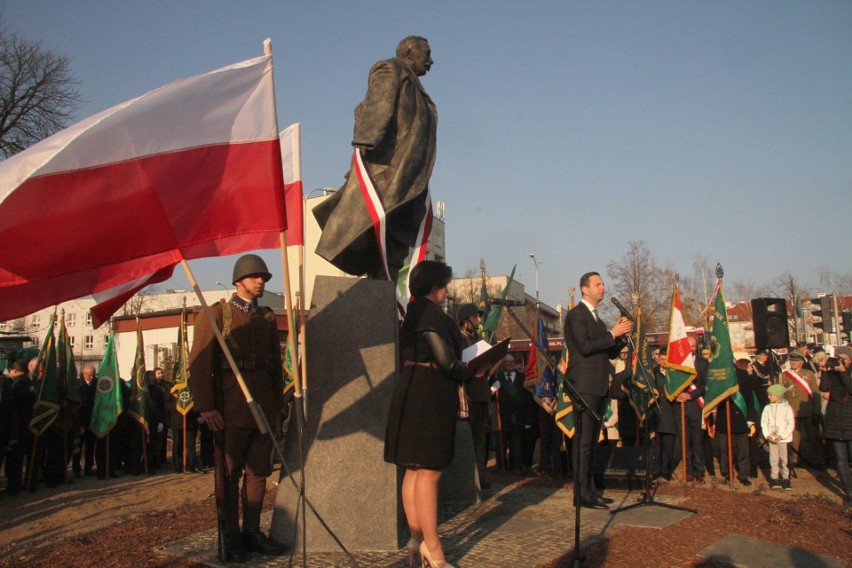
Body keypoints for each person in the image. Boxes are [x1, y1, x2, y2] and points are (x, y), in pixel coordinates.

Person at [189, 254, 287, 562]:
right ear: (239, 280)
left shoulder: (268, 318)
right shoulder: (217, 314)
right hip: (231, 408)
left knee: (258, 472)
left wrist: (278, 405)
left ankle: (252, 532)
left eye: (264, 277)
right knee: (229, 474)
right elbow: (200, 363)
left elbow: (274, 366)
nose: (261, 281)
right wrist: (206, 407)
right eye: (255, 276)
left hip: (264, 409)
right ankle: (231, 535)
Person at [313, 36, 437, 281]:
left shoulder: (417, 88)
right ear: (410, 52)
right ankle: (379, 290)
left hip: (407, 175)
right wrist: (365, 144)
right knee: (376, 231)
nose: (431, 61)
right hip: (385, 172)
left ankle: (383, 290)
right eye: (427, 54)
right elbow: (377, 106)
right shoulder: (390, 68)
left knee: (394, 243)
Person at [384, 260, 468, 568]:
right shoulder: (431, 314)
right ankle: (433, 548)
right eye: (445, 284)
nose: (447, 289)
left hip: (411, 390)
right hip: (429, 394)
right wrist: (472, 368)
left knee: (414, 471)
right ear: (434, 288)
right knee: (430, 472)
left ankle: (416, 540)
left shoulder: (413, 311)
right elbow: (447, 362)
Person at [563, 272, 632, 509]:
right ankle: (580, 493)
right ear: (584, 289)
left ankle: (590, 489)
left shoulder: (598, 320)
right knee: (583, 442)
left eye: (603, 283)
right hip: (583, 385)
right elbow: (584, 346)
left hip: (599, 385)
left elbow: (610, 352)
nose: (603, 287)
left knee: (592, 442)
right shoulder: (576, 315)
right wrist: (612, 334)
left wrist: (622, 337)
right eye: (598, 284)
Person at [456, 303, 491, 489]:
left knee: (480, 439)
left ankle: (481, 476)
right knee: (467, 439)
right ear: (466, 320)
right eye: (476, 317)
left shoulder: (478, 338)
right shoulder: (458, 339)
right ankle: (468, 479)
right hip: (467, 394)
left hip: (481, 393)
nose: (479, 320)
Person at [715, 359, 759, 486]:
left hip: (741, 417)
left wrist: (750, 418)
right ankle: (727, 474)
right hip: (725, 417)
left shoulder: (743, 375)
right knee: (725, 449)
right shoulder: (718, 376)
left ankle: (743, 475)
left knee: (743, 450)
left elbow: (749, 398)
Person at [780, 350, 824, 468]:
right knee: (794, 437)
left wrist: (817, 411)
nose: (793, 363)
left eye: (796, 360)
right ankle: (795, 459)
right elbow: (782, 394)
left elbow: (816, 394)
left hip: (807, 410)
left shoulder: (808, 374)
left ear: (801, 362)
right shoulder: (784, 375)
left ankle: (816, 460)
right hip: (791, 411)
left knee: (812, 437)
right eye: (791, 360)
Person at [820, 347, 852, 506]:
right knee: (840, 460)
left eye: (844, 358)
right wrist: (825, 371)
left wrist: (843, 372)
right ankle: (849, 492)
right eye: (838, 357)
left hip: (850, 419)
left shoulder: (848, 372)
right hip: (835, 420)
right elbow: (824, 389)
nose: (840, 360)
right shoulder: (832, 373)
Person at [673, 336, 707, 482]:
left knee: (697, 440)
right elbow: (671, 383)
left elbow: (705, 385)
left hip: (696, 404)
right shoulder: (675, 363)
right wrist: (678, 394)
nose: (691, 349)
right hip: (680, 406)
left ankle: (699, 470)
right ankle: (688, 470)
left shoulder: (703, 363)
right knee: (685, 440)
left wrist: (690, 395)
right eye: (689, 346)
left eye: (693, 346)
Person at [762, 384, 794, 490]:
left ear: (778, 395)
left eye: (771, 395)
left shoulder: (787, 408)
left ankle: (786, 478)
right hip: (772, 438)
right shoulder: (767, 408)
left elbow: (790, 425)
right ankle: (774, 478)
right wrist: (767, 435)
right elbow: (764, 422)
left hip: (784, 439)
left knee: (785, 460)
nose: (769, 397)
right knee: (773, 459)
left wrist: (782, 436)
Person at [73, 365, 98, 477]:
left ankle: (88, 468)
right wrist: (79, 424)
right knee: (78, 447)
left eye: (93, 375)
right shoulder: (77, 385)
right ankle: (76, 469)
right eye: (89, 375)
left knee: (90, 446)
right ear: (84, 374)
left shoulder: (97, 384)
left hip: (92, 420)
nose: (91, 377)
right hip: (80, 421)